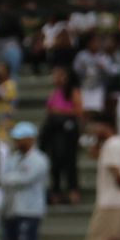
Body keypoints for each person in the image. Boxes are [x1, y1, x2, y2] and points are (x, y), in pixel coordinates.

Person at [0, 121, 49, 240]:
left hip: (30, 211)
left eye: (22, 139)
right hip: (12, 209)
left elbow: (24, 179)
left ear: (31, 139)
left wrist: (9, 179)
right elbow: (4, 178)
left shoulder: (40, 160)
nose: (18, 142)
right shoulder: (13, 159)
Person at [41, 65, 83, 206]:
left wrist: (59, 112)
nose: (57, 78)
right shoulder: (54, 93)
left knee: (69, 162)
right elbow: (49, 112)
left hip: (68, 133)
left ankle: (73, 191)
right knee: (55, 163)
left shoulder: (73, 92)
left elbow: (78, 112)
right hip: (55, 133)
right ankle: (56, 192)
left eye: (60, 75)